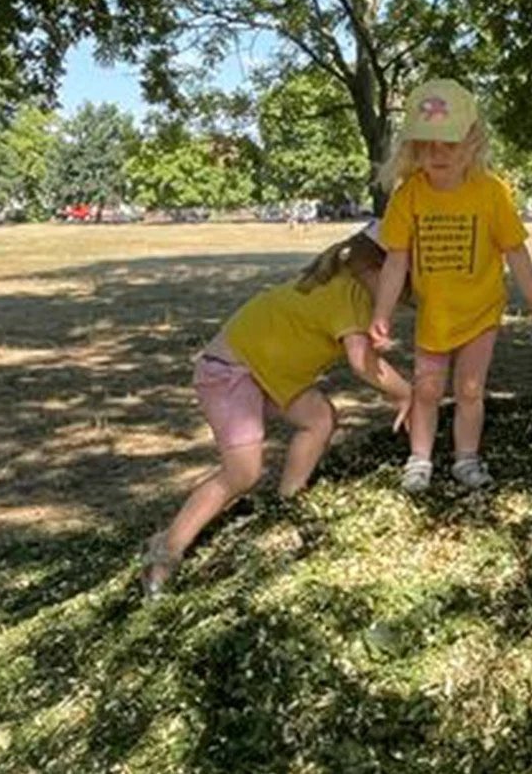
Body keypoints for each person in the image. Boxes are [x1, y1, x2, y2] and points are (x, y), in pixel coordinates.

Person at [140, 224, 413, 597]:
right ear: (376, 268)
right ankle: (165, 551)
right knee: (243, 473)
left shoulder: (354, 287)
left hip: (265, 371)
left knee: (319, 418)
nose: (400, 297)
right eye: (401, 282)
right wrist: (405, 393)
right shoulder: (349, 291)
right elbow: (361, 360)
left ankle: (286, 505)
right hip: (231, 371)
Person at [369, 79, 532, 494]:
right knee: (427, 388)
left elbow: (516, 251)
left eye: (448, 145)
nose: (437, 155)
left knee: (470, 389)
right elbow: (396, 260)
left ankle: (466, 459)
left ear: (471, 143)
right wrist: (381, 313)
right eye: (427, 144)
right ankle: (420, 460)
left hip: (480, 310)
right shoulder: (408, 196)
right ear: (414, 146)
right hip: (434, 313)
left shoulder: (491, 192)